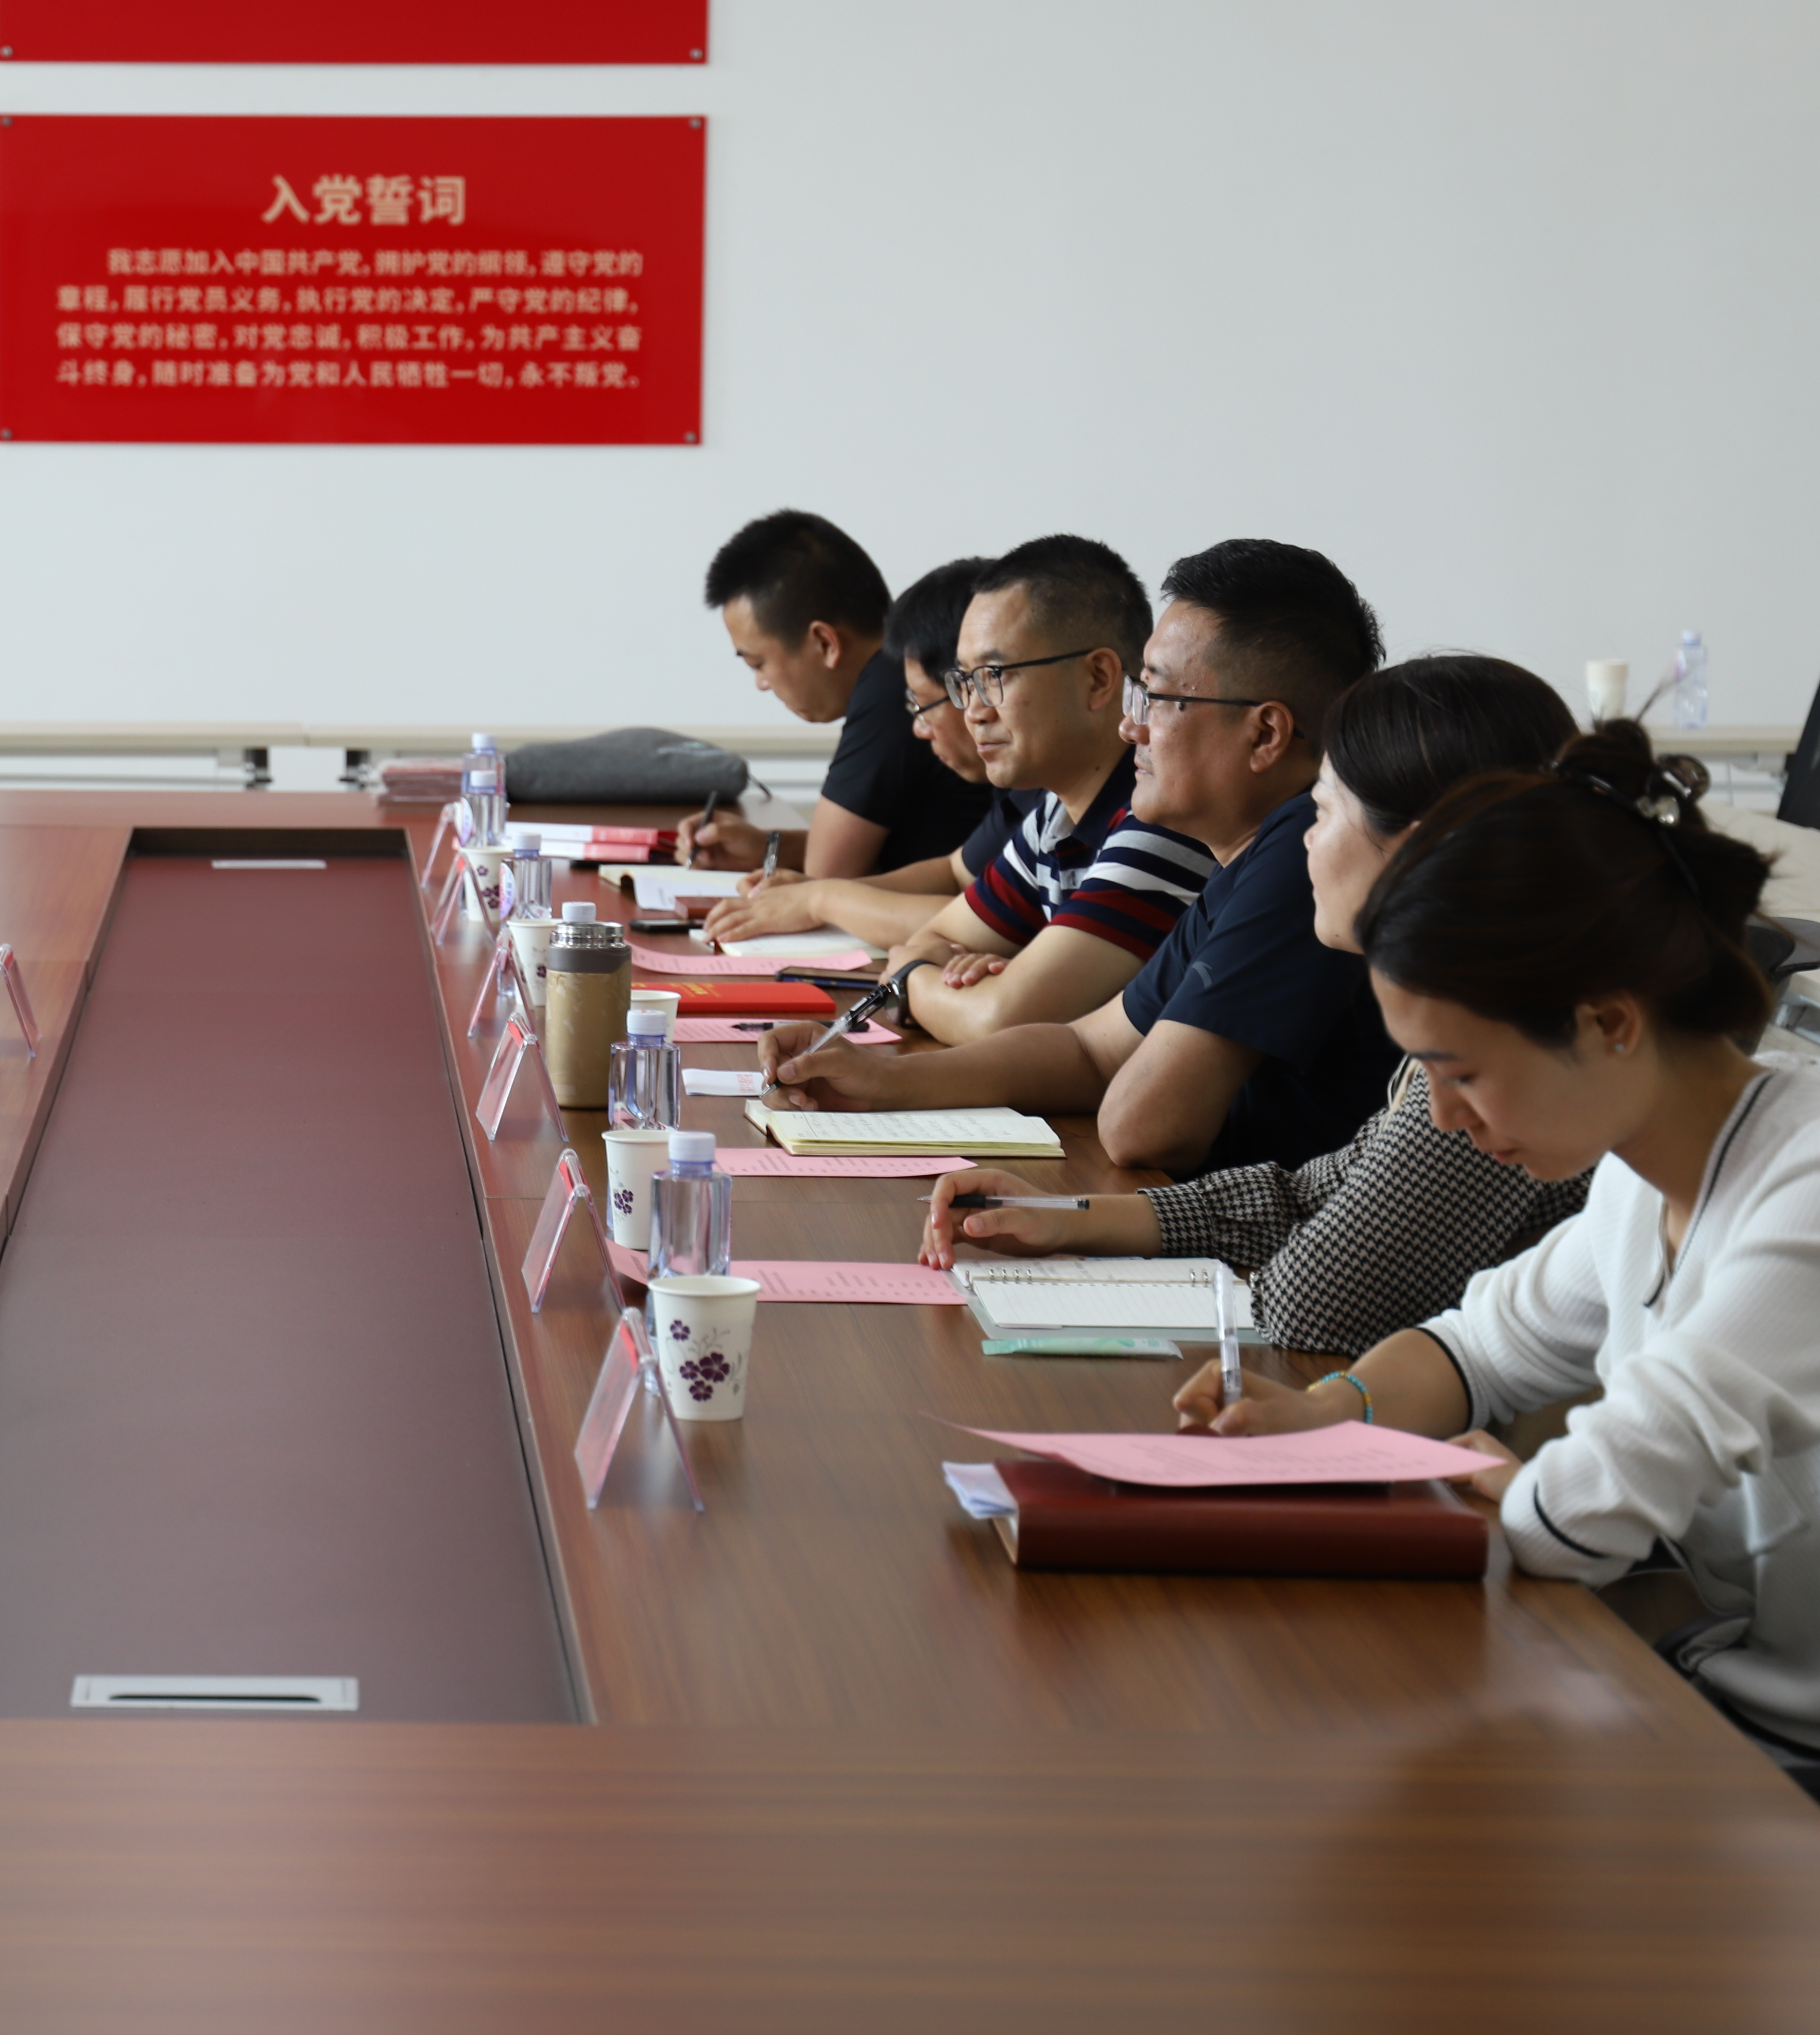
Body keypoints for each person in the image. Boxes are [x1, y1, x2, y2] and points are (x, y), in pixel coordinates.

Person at [1171, 724, 1820, 1779]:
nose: (1442, 1115)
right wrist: (1327, 1414)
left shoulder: (1805, 1186)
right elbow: (1475, 1348)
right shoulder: (1643, 1170)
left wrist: (1519, 1491)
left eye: (1463, 1071)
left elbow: (1586, 1510)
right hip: (1728, 1698)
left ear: (1609, 1023)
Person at [923, 655, 1591, 1354]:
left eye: (1322, 812)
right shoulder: (1479, 1007)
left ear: (1416, 851)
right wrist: (1072, 1217)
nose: (1305, 838)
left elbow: (1316, 1302)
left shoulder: (1501, 1050)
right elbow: (1312, 1193)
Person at [762, 539, 1394, 1172]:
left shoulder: (1301, 852)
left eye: (1156, 697)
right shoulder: (1243, 858)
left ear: (1265, 733)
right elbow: (1090, 1050)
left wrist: (920, 978)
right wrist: (875, 1080)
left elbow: (1140, 1126)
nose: (1131, 725)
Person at [880, 536, 1214, 1044]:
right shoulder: (1055, 815)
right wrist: (963, 980)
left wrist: (909, 980)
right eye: (966, 681)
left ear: (1099, 678)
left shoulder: (1161, 823)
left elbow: (997, 1022)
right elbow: (935, 937)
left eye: (994, 675)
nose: (974, 710)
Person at [699, 558, 1025, 951]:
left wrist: (822, 899)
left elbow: (991, 923)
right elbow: (955, 872)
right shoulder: (1027, 794)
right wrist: (814, 892)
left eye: (990, 681)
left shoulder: (885, 686)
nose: (980, 710)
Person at [676, 510, 993, 882]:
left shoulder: (890, 687)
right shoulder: (894, 674)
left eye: (758, 664)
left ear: (825, 643)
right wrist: (767, 848)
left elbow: (827, 874)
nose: (762, 683)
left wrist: (792, 873)